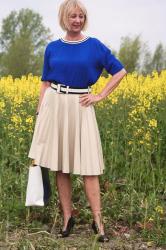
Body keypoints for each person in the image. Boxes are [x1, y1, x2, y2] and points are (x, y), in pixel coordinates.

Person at [28, 0, 127, 243]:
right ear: (64, 18)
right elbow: (45, 82)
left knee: (90, 168)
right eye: (73, 16)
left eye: (81, 16)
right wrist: (40, 113)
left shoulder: (94, 46)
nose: (77, 20)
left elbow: (120, 71)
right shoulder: (52, 47)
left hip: (81, 106)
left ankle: (98, 222)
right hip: (55, 105)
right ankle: (67, 218)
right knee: (61, 167)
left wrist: (100, 95)